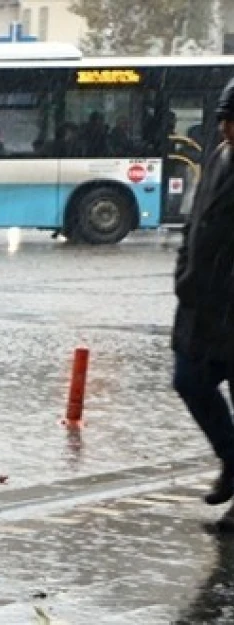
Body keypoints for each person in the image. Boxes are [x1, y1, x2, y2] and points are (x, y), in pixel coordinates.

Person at [172, 76, 234, 533]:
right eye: (225, 122)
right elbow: (195, 221)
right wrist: (183, 272)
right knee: (189, 380)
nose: (226, 131)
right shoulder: (217, 157)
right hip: (200, 305)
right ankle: (232, 458)